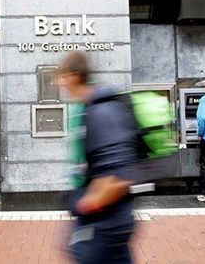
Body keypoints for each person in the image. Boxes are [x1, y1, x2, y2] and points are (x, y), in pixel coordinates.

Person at [57, 51, 138, 264]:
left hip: (106, 220)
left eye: (62, 76)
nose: (59, 82)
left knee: (81, 253)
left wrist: (87, 203)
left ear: (75, 75)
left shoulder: (100, 111)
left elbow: (118, 176)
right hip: (108, 219)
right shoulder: (85, 108)